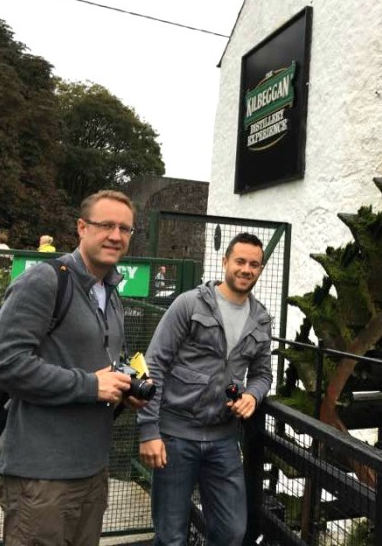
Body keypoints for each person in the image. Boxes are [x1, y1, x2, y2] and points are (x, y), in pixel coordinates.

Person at [0, 190, 144, 546]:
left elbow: (102, 365)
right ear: (81, 227)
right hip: (41, 476)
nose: (116, 236)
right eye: (106, 225)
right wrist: (89, 386)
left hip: (92, 470)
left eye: (125, 228)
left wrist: (124, 387)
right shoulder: (45, 280)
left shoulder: (111, 292)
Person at [138, 232, 273, 546]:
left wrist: (253, 395)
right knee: (170, 535)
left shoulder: (261, 319)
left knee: (231, 532)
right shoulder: (189, 304)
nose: (246, 269)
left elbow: (263, 375)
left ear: (261, 269)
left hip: (224, 439)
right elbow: (154, 364)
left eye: (254, 264)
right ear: (225, 261)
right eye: (240, 261)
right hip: (175, 435)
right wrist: (148, 430)